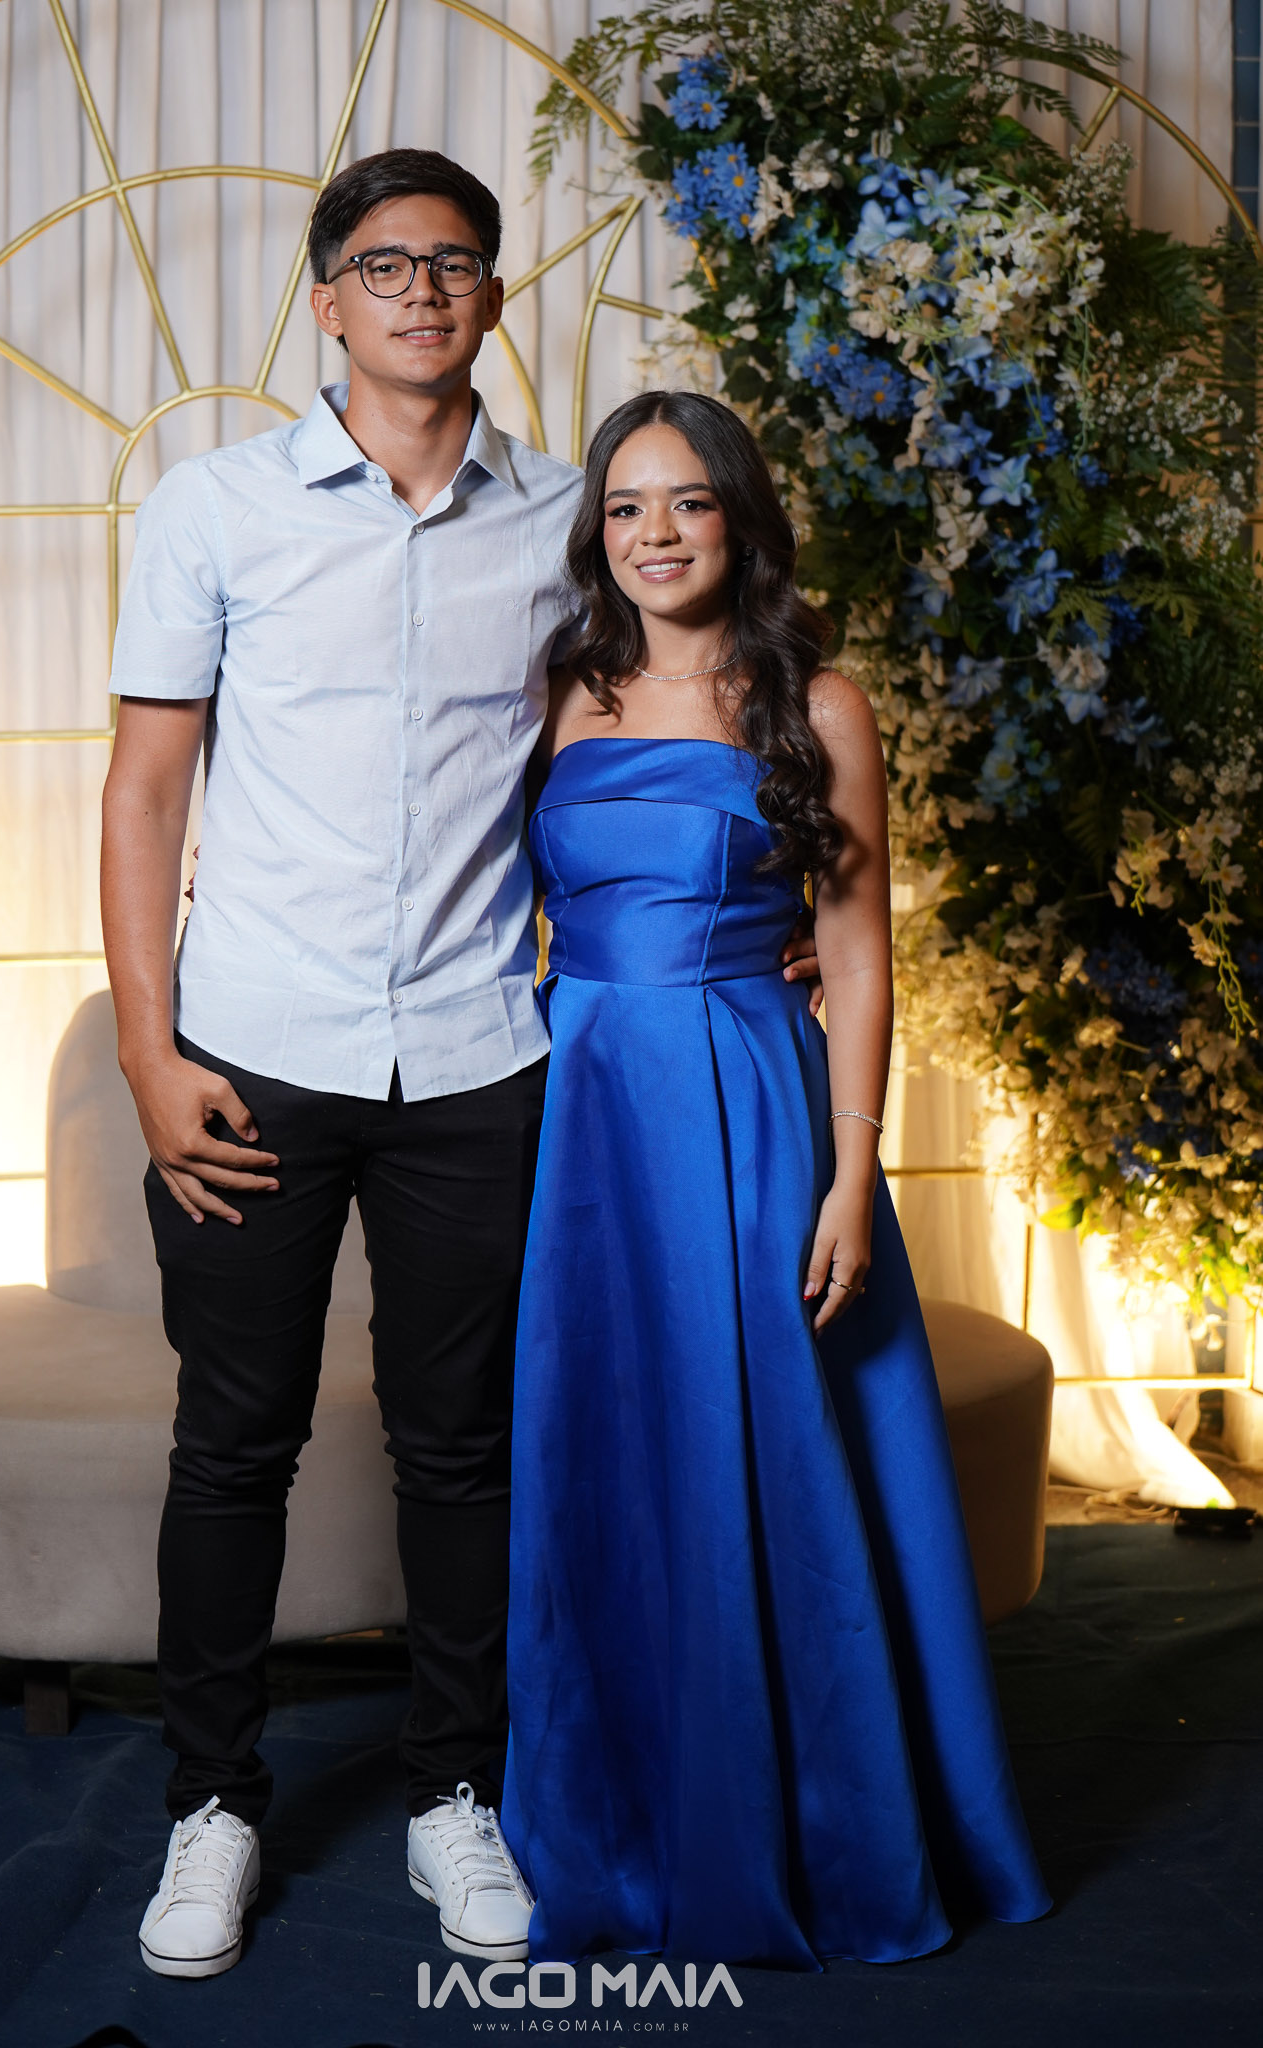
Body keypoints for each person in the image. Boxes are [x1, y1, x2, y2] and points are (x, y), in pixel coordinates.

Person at [101, 150, 819, 1980]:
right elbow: (146, 791)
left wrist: (772, 893)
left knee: (465, 1448)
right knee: (231, 1445)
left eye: (453, 264)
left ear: (493, 301)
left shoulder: (570, 521)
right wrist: (146, 1051)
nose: (420, 290)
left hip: (488, 1054)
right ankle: (211, 1805)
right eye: (383, 264)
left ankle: (454, 1792)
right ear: (325, 300)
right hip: (254, 1053)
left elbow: (680, 709)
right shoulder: (213, 510)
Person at [501, 389, 1052, 1967]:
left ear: (739, 520)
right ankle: (615, 1817)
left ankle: (807, 1828)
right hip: (580, 1108)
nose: (654, 533)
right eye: (624, 506)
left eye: (687, 502)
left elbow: (859, 952)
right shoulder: (562, 690)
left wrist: (849, 1174)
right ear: (595, 532)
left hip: (746, 1099)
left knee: (766, 1449)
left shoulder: (818, 703)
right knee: (606, 1452)